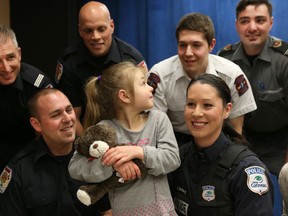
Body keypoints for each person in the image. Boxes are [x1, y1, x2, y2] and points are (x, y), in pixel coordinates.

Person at [68, 61, 180, 215]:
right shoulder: (104, 129)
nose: (150, 87)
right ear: (124, 96)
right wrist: (112, 164)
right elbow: (75, 167)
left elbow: (172, 158)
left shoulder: (159, 120)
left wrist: (139, 151)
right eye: (143, 84)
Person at [217, 0, 288, 214]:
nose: (252, 28)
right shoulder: (224, 59)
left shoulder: (284, 59)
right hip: (242, 138)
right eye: (245, 21)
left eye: (260, 20)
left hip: (282, 140)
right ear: (237, 24)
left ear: (271, 23)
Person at [168, 73, 273, 216]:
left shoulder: (245, 169)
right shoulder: (177, 159)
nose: (197, 113)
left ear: (227, 110)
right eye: (191, 104)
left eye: (207, 105)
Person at [147, 12, 256, 147]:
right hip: (174, 142)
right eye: (182, 45)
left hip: (219, 139)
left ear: (211, 45)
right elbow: (156, 131)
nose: (188, 53)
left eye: (196, 45)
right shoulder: (160, 75)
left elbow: (235, 131)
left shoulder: (231, 75)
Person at [0, 88, 111, 216]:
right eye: (56, 115)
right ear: (36, 124)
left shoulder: (93, 156)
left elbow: (108, 210)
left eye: (69, 110)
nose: (67, 118)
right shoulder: (19, 171)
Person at [55, 1, 146, 135]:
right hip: (85, 134)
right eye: (88, 30)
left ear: (112, 26)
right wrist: (90, 145)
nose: (95, 37)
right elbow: (72, 117)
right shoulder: (69, 63)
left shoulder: (131, 59)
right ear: (80, 30)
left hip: (129, 133)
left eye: (101, 29)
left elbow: (141, 111)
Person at [0, 25, 53, 172]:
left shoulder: (37, 84)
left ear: (19, 54)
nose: (5, 68)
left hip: (32, 153)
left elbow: (50, 131)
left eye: (10, 57)